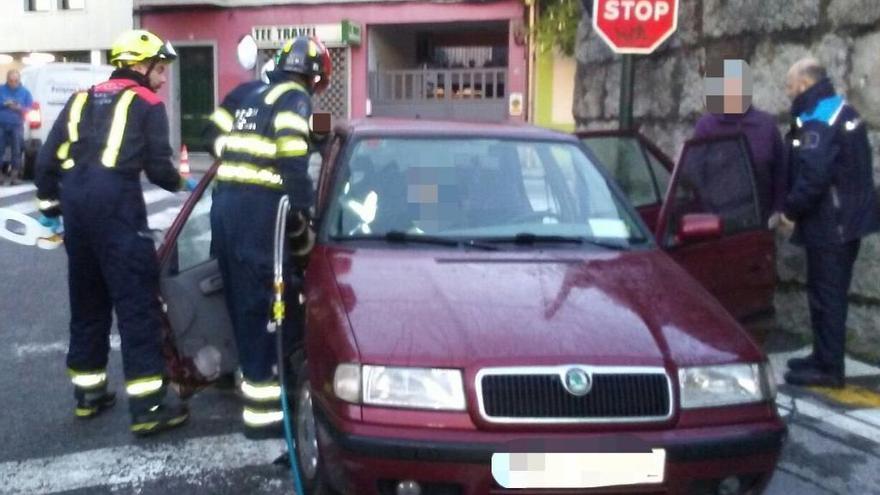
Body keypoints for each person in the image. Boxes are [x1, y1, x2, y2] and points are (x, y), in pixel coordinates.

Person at [34, 29, 197, 435]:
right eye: (160, 69)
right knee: (136, 306)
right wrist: (183, 183)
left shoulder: (80, 99)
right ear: (139, 66)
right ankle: (149, 407)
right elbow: (160, 169)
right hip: (117, 210)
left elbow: (45, 163)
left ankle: (89, 394)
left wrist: (50, 210)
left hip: (77, 212)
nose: (162, 78)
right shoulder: (147, 103)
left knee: (88, 303)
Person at [206, 35, 331, 439]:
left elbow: (213, 134)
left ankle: (252, 387)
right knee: (268, 307)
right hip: (260, 214)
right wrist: (305, 210)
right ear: (314, 77)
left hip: (226, 208)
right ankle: (267, 418)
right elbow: (293, 156)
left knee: (244, 304)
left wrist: (236, 155)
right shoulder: (294, 98)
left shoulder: (250, 93)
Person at [779, 58, 880, 388]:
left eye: (790, 85)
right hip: (839, 222)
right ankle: (823, 356)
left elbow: (814, 175)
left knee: (828, 296)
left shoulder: (820, 118)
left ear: (805, 84)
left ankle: (829, 369)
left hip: (832, 224)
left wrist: (790, 211)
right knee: (823, 294)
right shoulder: (832, 109)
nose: (787, 91)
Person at [693, 59, 786, 223]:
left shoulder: (766, 125)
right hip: (719, 223)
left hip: (761, 220)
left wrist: (778, 209)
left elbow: (781, 171)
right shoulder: (706, 127)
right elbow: (696, 176)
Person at [0, 69, 33, 185]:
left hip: (17, 125)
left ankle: (15, 176)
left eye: (15, 81)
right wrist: (5, 104)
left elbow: (29, 109)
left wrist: (19, 108)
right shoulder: (1, 89)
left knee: (17, 151)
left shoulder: (25, 93)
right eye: (11, 81)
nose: (13, 83)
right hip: (1, 124)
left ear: (19, 80)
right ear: (7, 80)